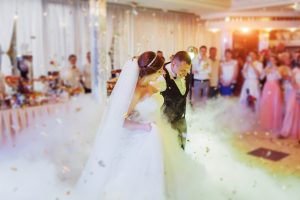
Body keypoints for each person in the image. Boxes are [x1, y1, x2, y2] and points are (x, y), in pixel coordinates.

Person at [74, 51, 203, 200]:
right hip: (140, 137)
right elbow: (121, 119)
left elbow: (155, 99)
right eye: (160, 70)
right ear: (151, 71)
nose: (162, 72)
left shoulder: (150, 86)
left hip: (155, 133)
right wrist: (144, 127)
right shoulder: (135, 92)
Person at [161, 51, 192, 149]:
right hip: (166, 121)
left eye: (187, 70)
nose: (185, 73)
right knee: (171, 150)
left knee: (182, 147)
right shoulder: (161, 75)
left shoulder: (186, 74)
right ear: (173, 64)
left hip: (181, 117)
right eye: (183, 70)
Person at [259, 55, 283, 135]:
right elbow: (261, 78)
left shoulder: (278, 68)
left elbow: (279, 77)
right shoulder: (267, 68)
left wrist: (275, 69)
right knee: (266, 104)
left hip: (275, 87)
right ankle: (266, 124)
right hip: (267, 86)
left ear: (276, 61)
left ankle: (274, 125)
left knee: (274, 105)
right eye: (270, 60)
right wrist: (265, 70)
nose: (271, 61)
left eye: (273, 60)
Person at [280, 64, 300, 140]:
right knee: (289, 111)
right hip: (293, 92)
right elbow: (290, 82)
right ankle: (285, 131)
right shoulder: (295, 70)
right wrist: (290, 78)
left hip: (297, 92)